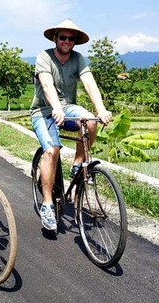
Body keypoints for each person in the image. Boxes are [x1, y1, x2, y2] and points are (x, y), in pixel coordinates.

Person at [30, 19, 112, 231]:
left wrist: (101, 109)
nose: (67, 41)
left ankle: (77, 162)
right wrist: (56, 108)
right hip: (44, 111)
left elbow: (89, 83)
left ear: (75, 41)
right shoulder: (44, 57)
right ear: (55, 38)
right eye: (63, 37)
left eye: (71, 38)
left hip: (68, 108)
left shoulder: (78, 59)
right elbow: (47, 85)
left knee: (90, 122)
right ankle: (47, 204)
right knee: (51, 150)